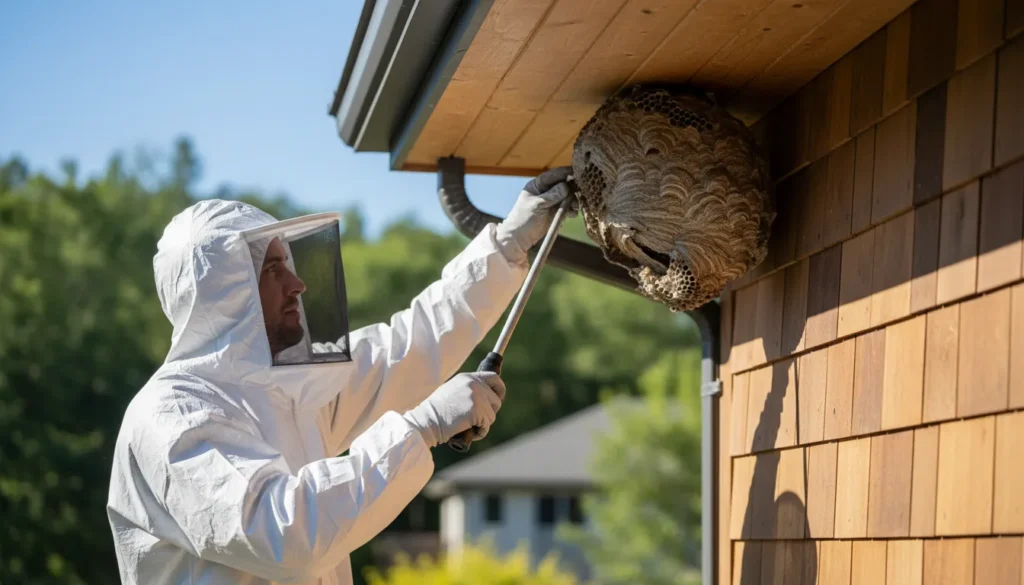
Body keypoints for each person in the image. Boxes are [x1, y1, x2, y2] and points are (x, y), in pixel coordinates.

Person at [106, 168, 577, 585]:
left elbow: (409, 344)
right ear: (226, 291)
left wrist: (511, 240)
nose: (297, 283)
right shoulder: (173, 414)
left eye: (288, 263)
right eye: (273, 269)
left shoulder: (287, 392)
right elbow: (283, 532)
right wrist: (421, 427)